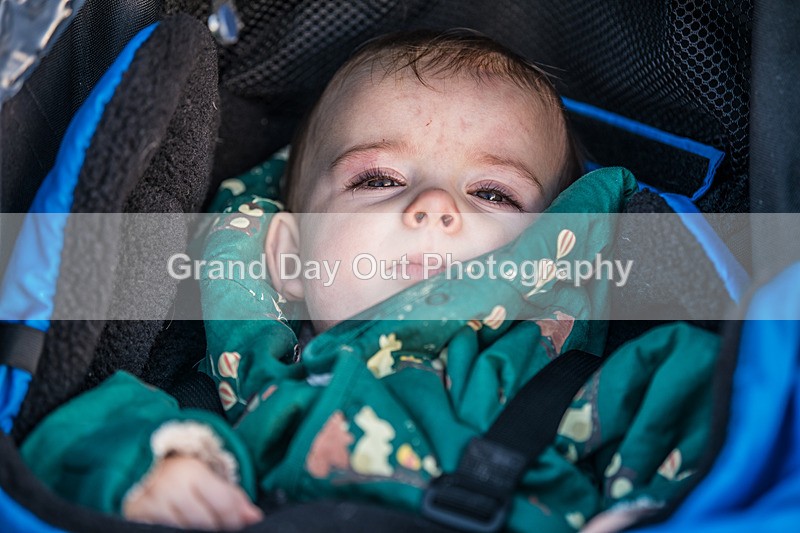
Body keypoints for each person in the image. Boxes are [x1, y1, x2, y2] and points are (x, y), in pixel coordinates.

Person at [21, 29, 719, 533]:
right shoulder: (236, 381)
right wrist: (155, 467)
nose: (434, 207)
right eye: (379, 178)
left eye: (494, 193)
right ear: (287, 257)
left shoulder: (570, 380)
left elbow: (705, 398)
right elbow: (71, 432)